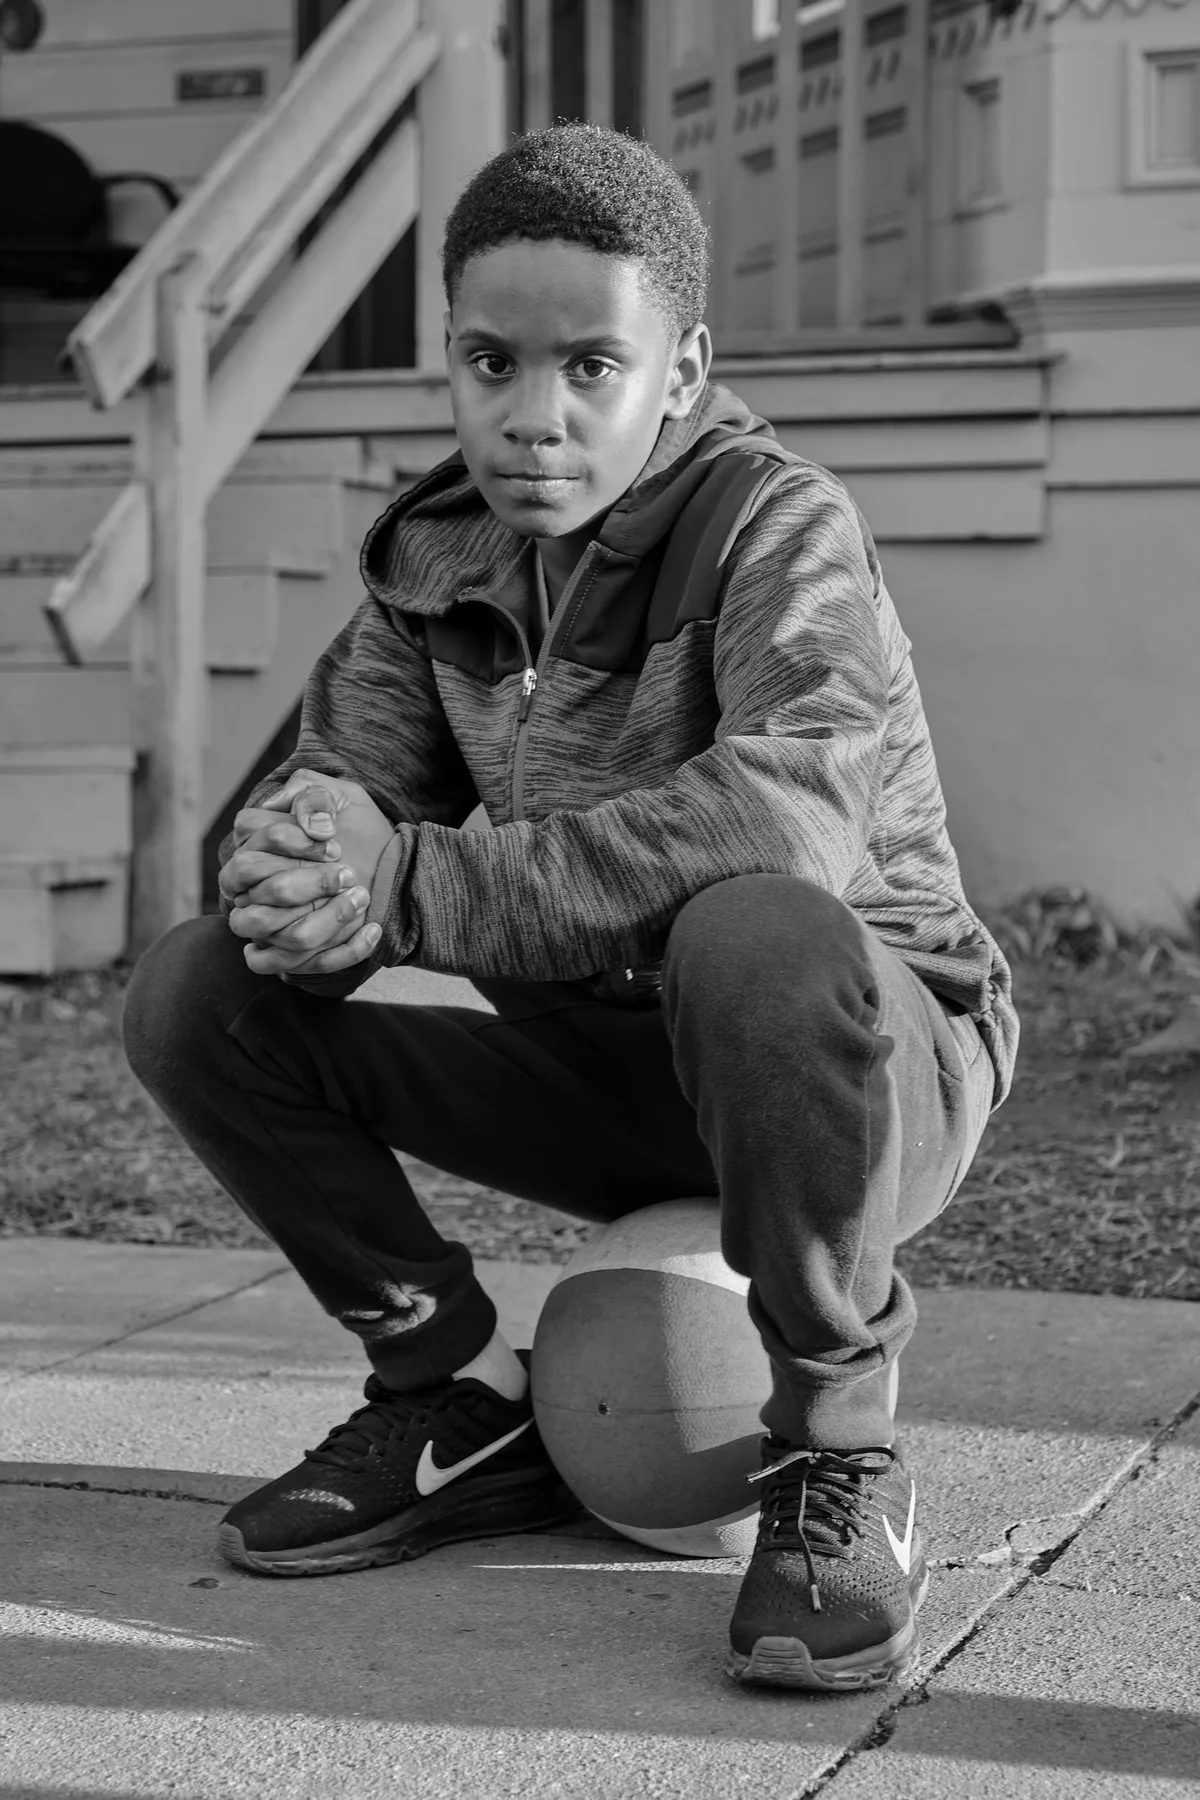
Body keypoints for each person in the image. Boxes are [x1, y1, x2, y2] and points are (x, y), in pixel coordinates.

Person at [123, 123, 1017, 1694]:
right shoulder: (433, 562)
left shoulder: (773, 526)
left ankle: (840, 1455)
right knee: (200, 991)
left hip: (862, 1069)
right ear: (451, 360)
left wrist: (415, 887)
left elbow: (786, 816)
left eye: (592, 366)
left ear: (680, 372)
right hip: (614, 1065)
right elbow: (326, 804)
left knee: (753, 925)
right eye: (492, 362)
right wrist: (302, 868)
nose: (535, 417)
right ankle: (458, 1400)